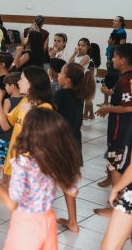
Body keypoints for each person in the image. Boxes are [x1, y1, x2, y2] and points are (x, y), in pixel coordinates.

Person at [0, 108, 81, 250]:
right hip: (48, 221)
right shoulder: (55, 161)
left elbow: (12, 204)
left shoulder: (23, 163)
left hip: (26, 225)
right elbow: (73, 192)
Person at [0, 66, 55, 186]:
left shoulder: (46, 108)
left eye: (22, 79)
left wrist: (29, 114)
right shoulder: (24, 101)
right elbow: (5, 126)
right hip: (16, 159)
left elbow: (39, 139)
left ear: (31, 83)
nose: (18, 82)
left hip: (30, 165)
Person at [53, 62, 95, 232]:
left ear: (68, 80)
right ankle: (73, 221)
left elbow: (50, 114)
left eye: (61, 73)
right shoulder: (79, 96)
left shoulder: (61, 94)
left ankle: (43, 218)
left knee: (49, 179)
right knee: (68, 182)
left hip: (59, 143)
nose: (58, 75)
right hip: (74, 143)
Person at [94, 43, 132, 217]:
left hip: (121, 130)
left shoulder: (126, 79)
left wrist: (107, 108)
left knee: (116, 166)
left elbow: (128, 107)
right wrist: (109, 94)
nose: (112, 60)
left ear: (123, 60)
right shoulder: (125, 78)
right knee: (115, 164)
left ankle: (117, 205)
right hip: (120, 128)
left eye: (115, 56)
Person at [0, 73, 22, 167]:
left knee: (4, 164)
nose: (5, 87)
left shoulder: (8, 101)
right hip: (18, 137)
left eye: (6, 85)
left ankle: (4, 179)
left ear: (12, 86)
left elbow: (3, 119)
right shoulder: (26, 100)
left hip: (5, 137)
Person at [99, 33, 122, 107]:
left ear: (113, 40)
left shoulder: (113, 49)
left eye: (109, 38)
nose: (108, 40)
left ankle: (106, 102)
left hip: (112, 72)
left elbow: (114, 60)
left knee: (106, 85)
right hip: (116, 72)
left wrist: (108, 62)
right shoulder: (118, 47)